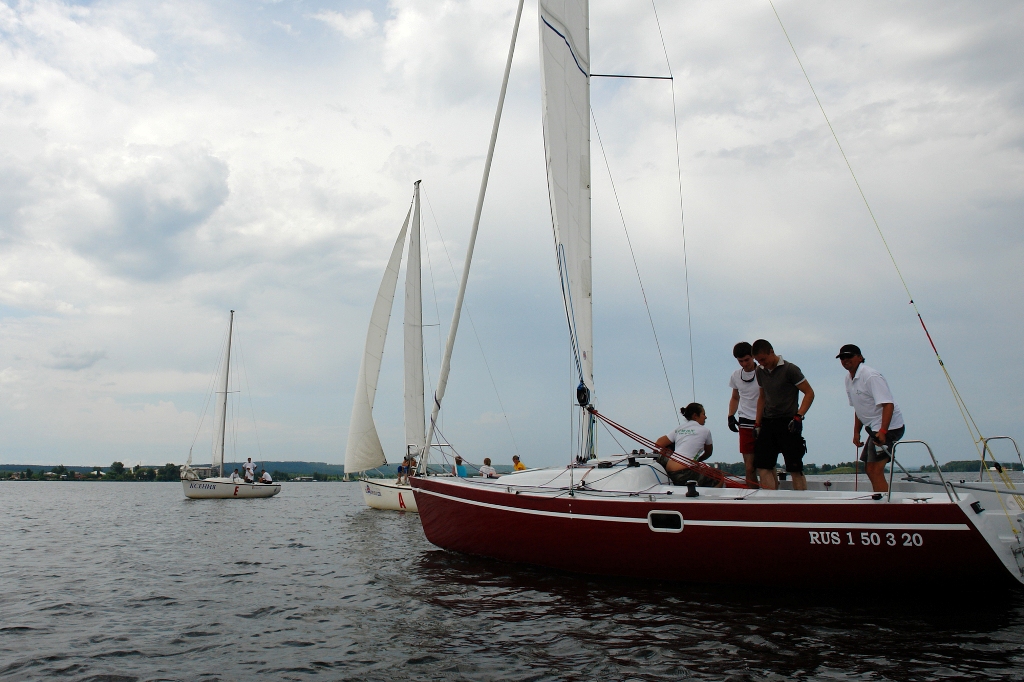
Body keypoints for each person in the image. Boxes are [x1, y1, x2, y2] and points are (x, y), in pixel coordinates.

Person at [838, 344, 906, 493]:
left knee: (875, 469)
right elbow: (858, 408)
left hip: (890, 427)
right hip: (873, 428)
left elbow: (888, 404)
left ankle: (884, 507)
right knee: (869, 469)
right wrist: (856, 432)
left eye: (849, 356)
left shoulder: (870, 376)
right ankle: (880, 499)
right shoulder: (848, 379)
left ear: (860, 357)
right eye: (842, 357)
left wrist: (883, 431)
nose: (845, 360)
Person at [751, 339, 814, 491]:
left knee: (794, 468)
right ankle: (770, 504)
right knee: (763, 466)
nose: (762, 363)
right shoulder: (760, 371)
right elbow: (762, 397)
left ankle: (801, 505)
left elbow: (809, 393)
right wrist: (757, 423)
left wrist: (799, 416)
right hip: (768, 422)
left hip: (789, 422)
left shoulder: (790, 369)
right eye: (758, 361)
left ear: (771, 352)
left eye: (763, 359)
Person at [654, 403, 717, 487]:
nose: (705, 417)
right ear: (695, 416)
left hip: (669, 471)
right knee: (718, 477)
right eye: (703, 414)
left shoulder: (679, 429)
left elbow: (658, 443)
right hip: (685, 473)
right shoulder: (705, 431)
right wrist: (697, 461)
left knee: (670, 445)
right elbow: (708, 453)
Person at [727, 341, 760, 485]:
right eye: (740, 361)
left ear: (753, 356)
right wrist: (730, 416)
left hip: (763, 421)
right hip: (745, 422)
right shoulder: (735, 375)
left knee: (766, 465)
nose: (744, 364)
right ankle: (752, 495)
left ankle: (770, 496)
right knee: (749, 466)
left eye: (747, 360)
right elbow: (735, 397)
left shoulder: (763, 372)